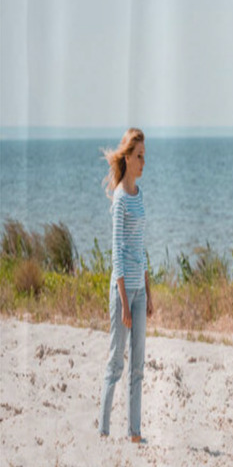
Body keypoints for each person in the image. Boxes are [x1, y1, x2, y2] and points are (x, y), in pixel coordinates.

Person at [99, 128, 154, 444]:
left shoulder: (140, 195)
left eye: (144, 156)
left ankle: (135, 433)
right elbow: (117, 251)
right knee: (115, 362)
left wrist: (148, 292)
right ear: (128, 158)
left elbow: (139, 245)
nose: (143, 162)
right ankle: (103, 431)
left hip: (139, 292)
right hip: (122, 294)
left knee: (138, 366)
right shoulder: (120, 198)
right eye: (139, 156)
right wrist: (123, 301)